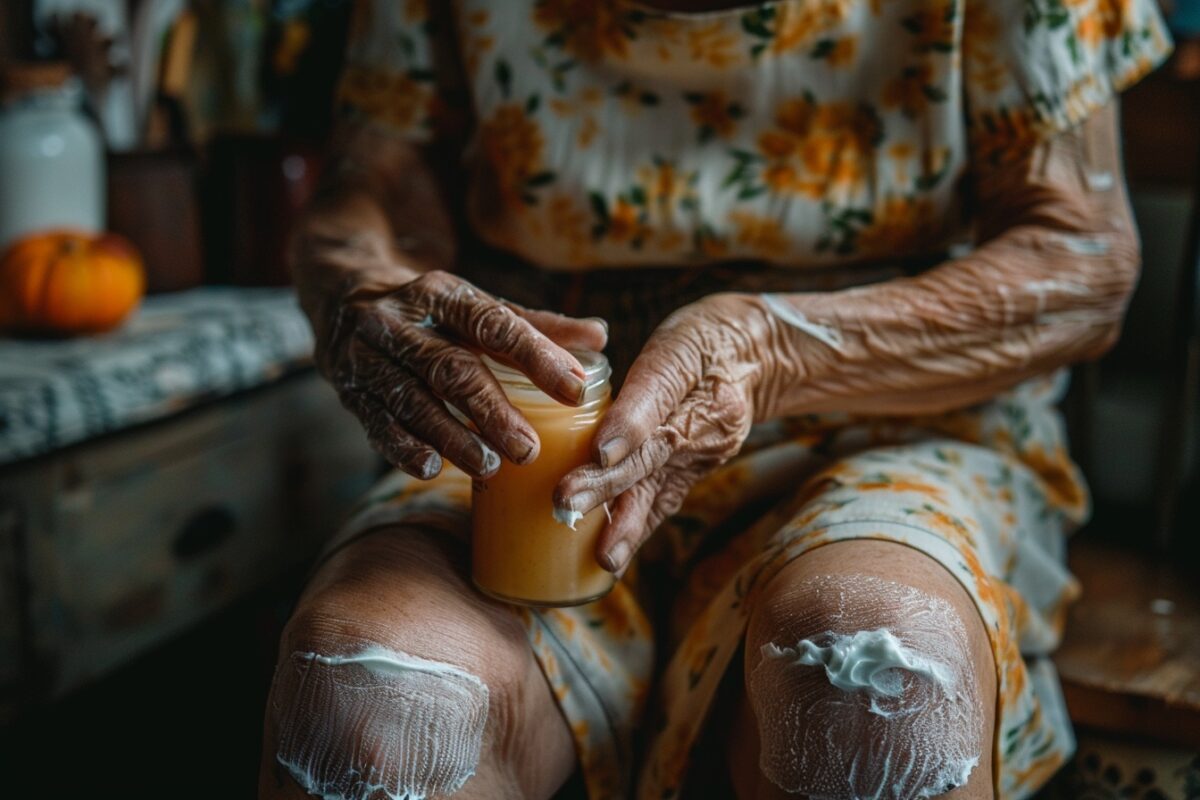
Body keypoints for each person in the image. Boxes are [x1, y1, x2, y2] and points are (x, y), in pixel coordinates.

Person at [258, 1, 1172, 798]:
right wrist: (362, 291)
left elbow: (1082, 262)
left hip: (893, 416)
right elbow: (374, 179)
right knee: (369, 703)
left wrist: (769, 346)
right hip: (528, 420)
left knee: (879, 690)